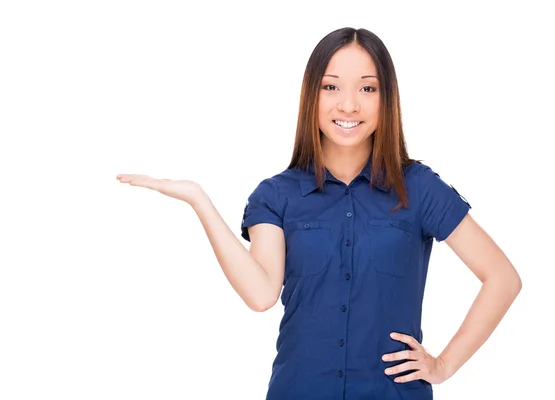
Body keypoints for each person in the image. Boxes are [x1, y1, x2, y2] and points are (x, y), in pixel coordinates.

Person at [116, 27, 522, 400]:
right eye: (331, 86)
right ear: (312, 94)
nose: (348, 104)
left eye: (367, 88)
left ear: (387, 98)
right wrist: (199, 199)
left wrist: (444, 365)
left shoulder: (417, 187)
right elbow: (260, 295)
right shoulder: (275, 196)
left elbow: (502, 278)